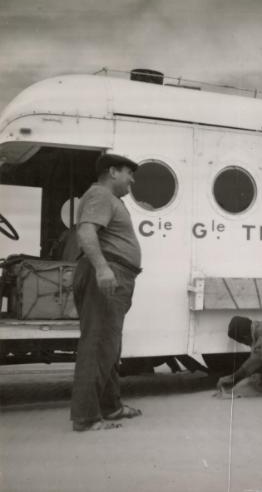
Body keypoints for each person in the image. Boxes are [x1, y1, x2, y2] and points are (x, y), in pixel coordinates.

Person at [70, 153, 143, 431]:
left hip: (117, 275)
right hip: (107, 274)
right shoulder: (100, 195)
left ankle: (111, 407)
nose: (132, 179)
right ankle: (86, 418)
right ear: (113, 171)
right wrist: (102, 268)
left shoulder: (109, 199)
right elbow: (86, 232)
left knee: (110, 345)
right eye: (129, 173)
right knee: (98, 344)